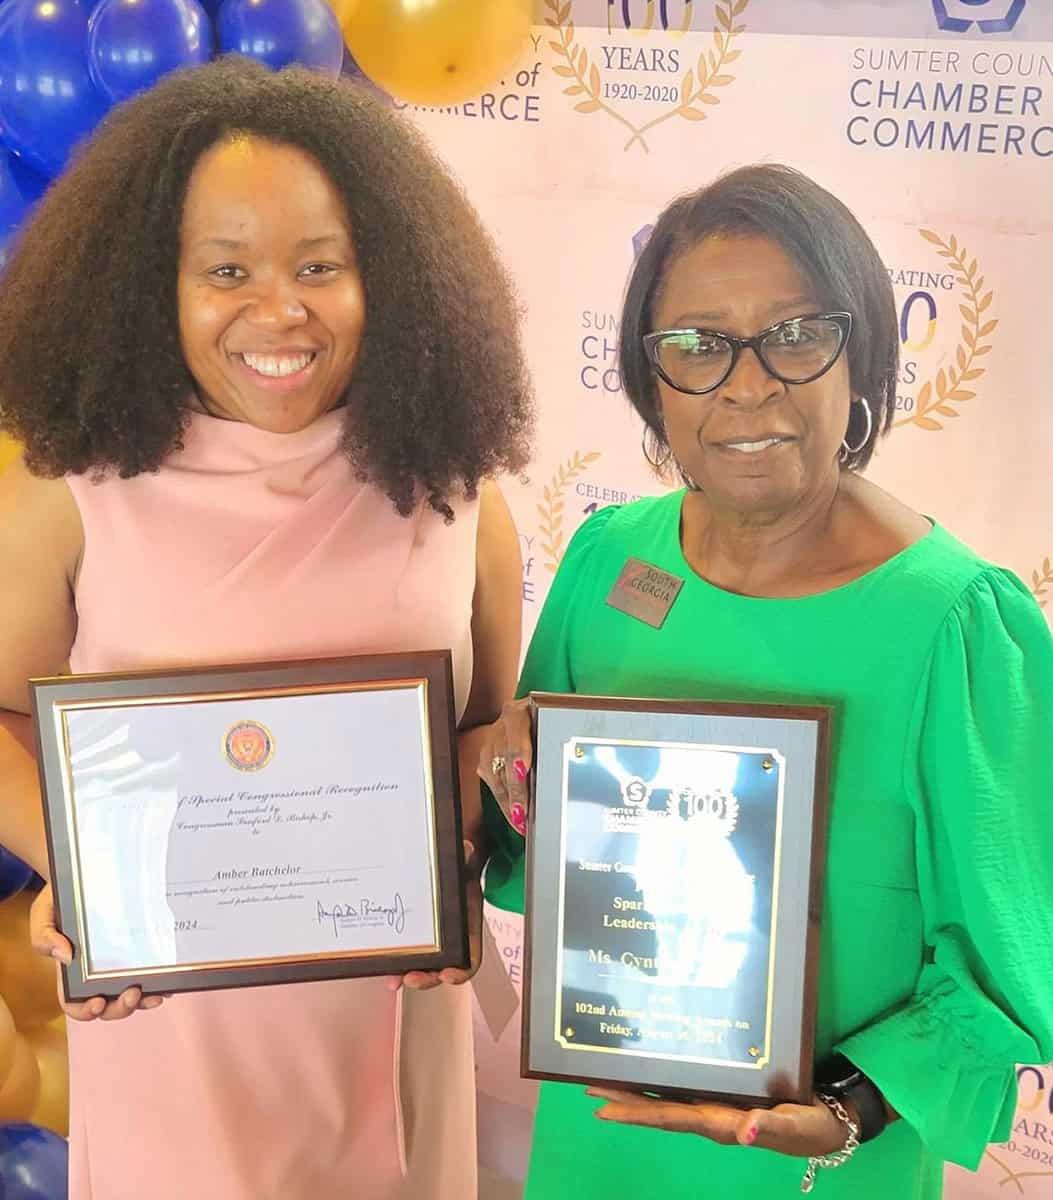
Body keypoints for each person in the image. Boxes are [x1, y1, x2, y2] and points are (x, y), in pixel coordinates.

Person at [0, 57, 532, 1200]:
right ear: (155, 287)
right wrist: (90, 878)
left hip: (392, 1024)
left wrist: (470, 829)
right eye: (225, 271)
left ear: (386, 274)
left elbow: (487, 732)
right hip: (169, 1027)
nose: (277, 310)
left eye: (320, 267)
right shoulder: (71, 494)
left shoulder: (458, 492)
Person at [479, 163, 1053, 1199]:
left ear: (861, 357)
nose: (747, 385)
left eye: (794, 335)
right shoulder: (609, 560)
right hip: (599, 1142)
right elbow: (532, 848)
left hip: (816, 1170)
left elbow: (1013, 960)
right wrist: (506, 770)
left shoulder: (958, 623)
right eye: (698, 346)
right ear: (651, 378)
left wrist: (846, 1105)